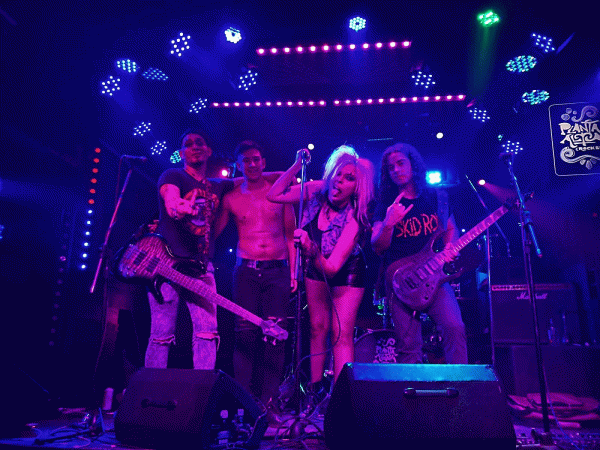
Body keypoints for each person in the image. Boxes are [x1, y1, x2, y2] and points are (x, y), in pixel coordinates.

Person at [267, 145, 374, 416]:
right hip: (314, 262)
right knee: (317, 327)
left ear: (356, 187)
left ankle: (340, 399)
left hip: (346, 270)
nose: (340, 181)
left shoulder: (355, 217)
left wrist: (311, 250)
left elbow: (333, 267)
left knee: (340, 333)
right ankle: (314, 394)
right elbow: (274, 195)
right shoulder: (315, 191)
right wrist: (296, 166)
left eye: (349, 178)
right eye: (338, 174)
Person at [213, 140, 297, 409]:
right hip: (245, 271)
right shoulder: (231, 198)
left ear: (263, 162)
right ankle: (244, 405)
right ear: (238, 166)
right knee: (245, 335)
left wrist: (294, 272)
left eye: (256, 159)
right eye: (246, 161)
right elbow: (213, 234)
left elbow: (290, 235)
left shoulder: (279, 193)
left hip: (278, 270)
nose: (252, 164)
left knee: (276, 336)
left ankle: (269, 403)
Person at [144, 129, 234, 370]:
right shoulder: (173, 175)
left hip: (200, 268)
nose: (194, 146)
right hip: (166, 265)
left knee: (207, 332)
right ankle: (152, 388)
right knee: (161, 334)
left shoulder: (217, 185)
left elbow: (252, 179)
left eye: (199, 143)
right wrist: (179, 206)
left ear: (208, 151)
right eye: (188, 144)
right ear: (181, 152)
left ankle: (202, 388)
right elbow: (171, 199)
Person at [371, 142, 467, 364]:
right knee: (409, 346)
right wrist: (388, 223)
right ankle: (412, 386)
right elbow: (377, 246)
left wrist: (449, 247)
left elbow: (450, 228)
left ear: (413, 164)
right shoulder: (385, 204)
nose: (396, 170)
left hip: (434, 275)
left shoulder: (436, 197)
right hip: (400, 281)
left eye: (400, 163)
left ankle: (461, 382)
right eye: (390, 167)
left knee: (454, 327)